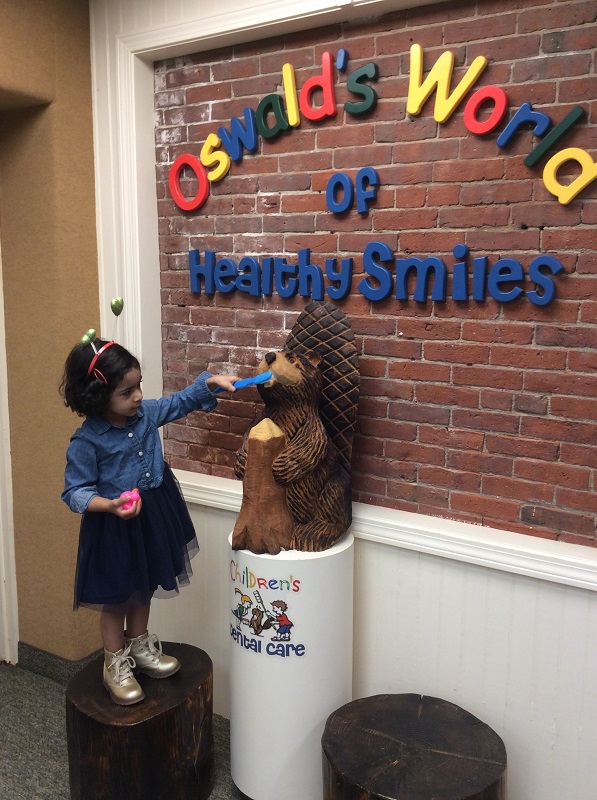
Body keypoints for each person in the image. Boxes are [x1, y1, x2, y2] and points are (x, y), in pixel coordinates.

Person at [60, 336, 238, 705]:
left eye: (138, 385)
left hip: (153, 515)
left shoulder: (144, 415)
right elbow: (74, 491)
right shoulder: (86, 442)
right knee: (117, 598)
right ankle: (115, 663)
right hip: (114, 527)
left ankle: (139, 645)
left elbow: (178, 403)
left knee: (145, 586)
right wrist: (107, 505)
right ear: (97, 396)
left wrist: (207, 383)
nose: (138, 396)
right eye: (127, 391)